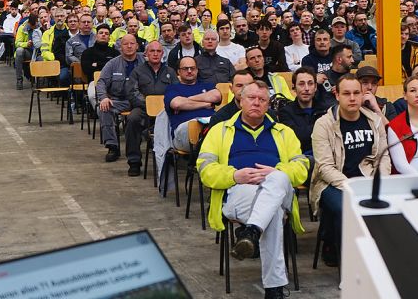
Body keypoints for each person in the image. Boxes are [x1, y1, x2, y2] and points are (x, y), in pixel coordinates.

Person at [196, 80, 309, 299]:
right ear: (240, 101)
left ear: (268, 105)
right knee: (273, 213)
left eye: (262, 100)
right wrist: (234, 175)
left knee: (277, 178)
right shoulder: (220, 131)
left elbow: (302, 166)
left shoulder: (284, 132)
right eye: (251, 98)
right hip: (239, 191)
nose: (256, 103)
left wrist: (274, 171)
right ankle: (274, 287)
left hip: (278, 190)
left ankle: (251, 231)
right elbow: (204, 168)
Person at [310, 75, 390, 267]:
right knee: (346, 207)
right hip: (332, 183)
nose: (352, 98)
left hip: (367, 179)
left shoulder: (375, 121)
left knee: (389, 201)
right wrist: (351, 186)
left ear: (364, 95)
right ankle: (349, 263)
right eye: (346, 93)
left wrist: (381, 181)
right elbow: (325, 167)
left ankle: (379, 257)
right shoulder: (324, 124)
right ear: (337, 95)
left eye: (356, 93)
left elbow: (383, 157)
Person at [123, 40, 176, 177]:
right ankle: (134, 162)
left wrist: (164, 105)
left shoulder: (170, 72)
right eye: (152, 51)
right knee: (132, 119)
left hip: (166, 109)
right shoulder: (138, 71)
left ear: (162, 54)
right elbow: (132, 92)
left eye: (158, 51)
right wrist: (149, 104)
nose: (155, 54)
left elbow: (176, 91)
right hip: (143, 109)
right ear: (146, 54)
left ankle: (171, 158)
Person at [94, 34, 145, 163]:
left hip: (142, 101)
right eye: (125, 44)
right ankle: (112, 146)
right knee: (104, 108)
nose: (129, 46)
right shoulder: (112, 64)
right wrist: (104, 97)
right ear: (120, 47)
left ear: (137, 46)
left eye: (132, 43)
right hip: (121, 101)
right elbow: (101, 83)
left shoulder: (145, 61)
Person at [163, 57, 221, 153]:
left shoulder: (206, 85)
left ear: (197, 70)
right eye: (185, 69)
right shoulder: (172, 88)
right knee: (195, 124)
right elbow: (177, 104)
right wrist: (205, 104)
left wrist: (187, 100)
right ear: (178, 72)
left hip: (211, 124)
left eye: (192, 68)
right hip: (183, 134)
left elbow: (216, 96)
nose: (189, 71)